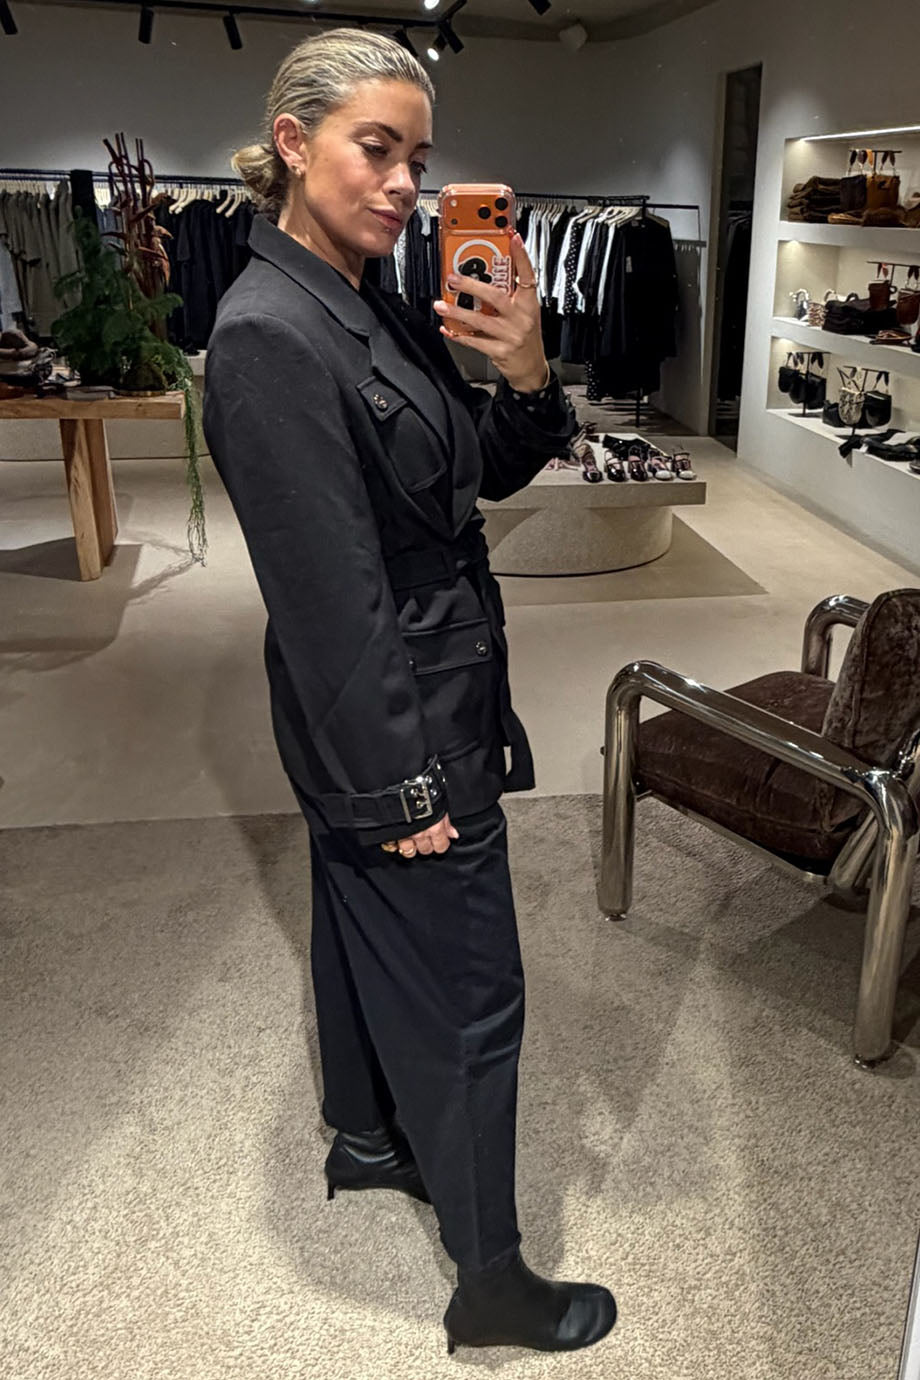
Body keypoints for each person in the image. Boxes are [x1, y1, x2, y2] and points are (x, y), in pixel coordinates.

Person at [202, 28, 617, 1357]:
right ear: (293, 143)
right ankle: (490, 1280)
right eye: (374, 149)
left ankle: (370, 1135)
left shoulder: (367, 295)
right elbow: (327, 600)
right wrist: (400, 785)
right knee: (476, 987)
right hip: (397, 708)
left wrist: (527, 372)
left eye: (417, 159)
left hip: (422, 677)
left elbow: (465, 478)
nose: (401, 184)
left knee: (354, 913)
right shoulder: (269, 333)